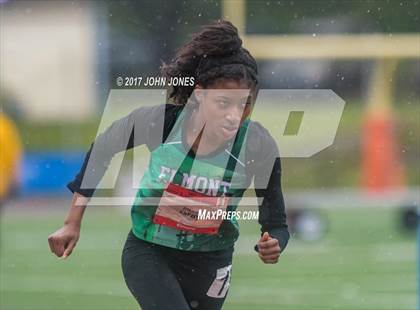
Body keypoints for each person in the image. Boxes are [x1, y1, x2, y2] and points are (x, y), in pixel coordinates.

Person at [48, 20, 289, 310]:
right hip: (149, 250)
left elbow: (276, 223)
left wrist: (273, 243)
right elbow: (103, 148)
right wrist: (72, 222)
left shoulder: (258, 146)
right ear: (199, 94)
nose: (234, 116)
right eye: (224, 103)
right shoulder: (162, 123)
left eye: (245, 104)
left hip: (212, 259)